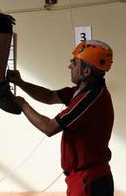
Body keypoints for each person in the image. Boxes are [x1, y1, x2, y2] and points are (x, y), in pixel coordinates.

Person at [7, 40, 115, 196]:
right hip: (83, 178)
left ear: (86, 72)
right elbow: (50, 96)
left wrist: (22, 104)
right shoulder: (83, 91)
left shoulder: (90, 98)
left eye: (74, 62)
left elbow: (49, 127)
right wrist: (20, 83)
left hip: (88, 181)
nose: (70, 66)